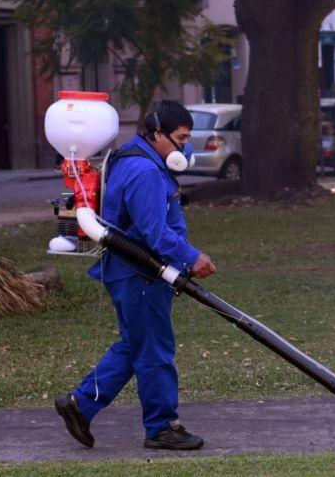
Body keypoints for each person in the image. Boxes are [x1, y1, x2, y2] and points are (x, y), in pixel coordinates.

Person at [55, 100, 216, 451]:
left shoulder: (132, 158)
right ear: (158, 134)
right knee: (155, 349)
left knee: (135, 345)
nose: (184, 147)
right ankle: (162, 427)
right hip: (141, 275)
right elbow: (155, 234)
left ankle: (81, 404)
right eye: (180, 138)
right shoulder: (145, 172)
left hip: (128, 272)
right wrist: (193, 256)